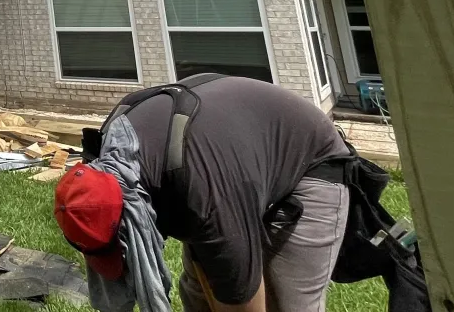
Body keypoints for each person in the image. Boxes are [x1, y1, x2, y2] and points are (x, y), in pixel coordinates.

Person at [54, 75, 351, 312]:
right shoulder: (107, 157)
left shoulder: (206, 198)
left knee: (285, 303)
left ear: (135, 216)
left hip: (309, 160)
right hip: (222, 157)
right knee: (199, 295)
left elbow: (240, 299)